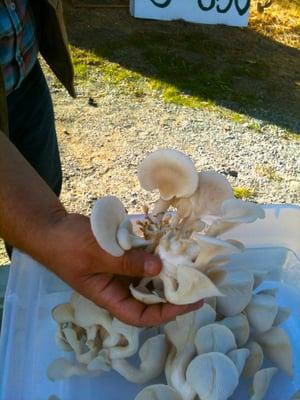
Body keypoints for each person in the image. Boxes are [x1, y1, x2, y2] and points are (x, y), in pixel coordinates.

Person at [0, 0, 202, 327]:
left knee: (44, 189)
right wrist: (46, 229)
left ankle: (34, 296)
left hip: (22, 68)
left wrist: (48, 227)